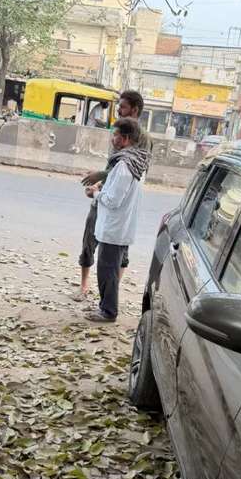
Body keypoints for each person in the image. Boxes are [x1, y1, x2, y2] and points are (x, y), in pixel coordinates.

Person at [75, 90, 151, 301]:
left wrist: (102, 182)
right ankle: (86, 287)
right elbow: (115, 167)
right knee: (90, 238)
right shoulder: (120, 132)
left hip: (115, 203)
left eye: (123, 107)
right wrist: (102, 183)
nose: (118, 111)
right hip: (105, 194)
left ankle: (109, 299)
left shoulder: (141, 142)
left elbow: (132, 173)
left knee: (115, 253)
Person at [84, 118, 146, 323]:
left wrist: (95, 193)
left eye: (116, 135)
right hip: (120, 227)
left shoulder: (124, 165)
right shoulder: (137, 160)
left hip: (114, 228)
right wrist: (103, 187)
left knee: (107, 271)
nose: (113, 139)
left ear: (126, 138)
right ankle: (106, 307)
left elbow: (113, 200)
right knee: (109, 269)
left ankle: (108, 311)